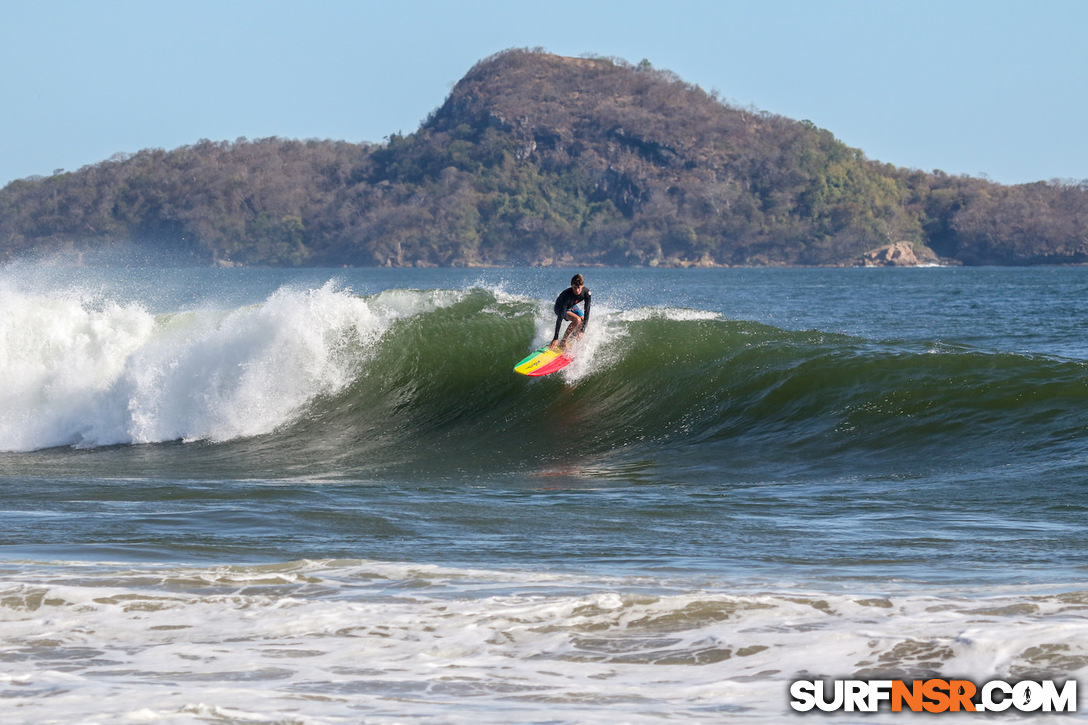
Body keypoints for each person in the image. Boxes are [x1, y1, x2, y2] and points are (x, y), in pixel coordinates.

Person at [549, 274, 591, 351]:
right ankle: (563, 341)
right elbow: (560, 318)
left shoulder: (587, 293)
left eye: (579, 288)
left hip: (572, 307)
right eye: (574, 288)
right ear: (571, 286)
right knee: (577, 320)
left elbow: (587, 311)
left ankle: (572, 337)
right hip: (560, 308)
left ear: (582, 286)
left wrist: (582, 331)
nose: (577, 290)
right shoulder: (566, 295)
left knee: (584, 321)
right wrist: (555, 338)